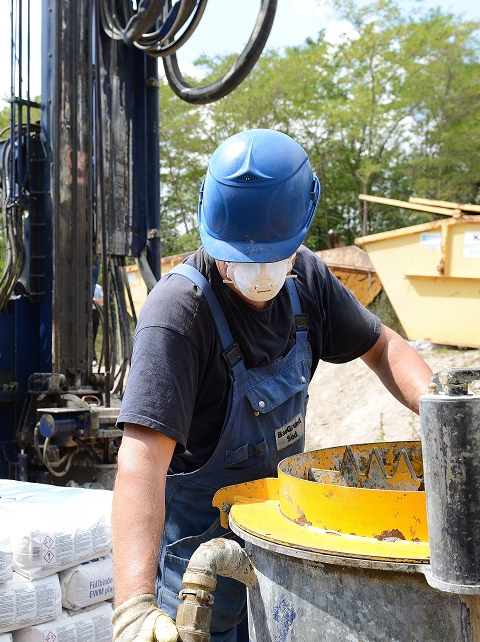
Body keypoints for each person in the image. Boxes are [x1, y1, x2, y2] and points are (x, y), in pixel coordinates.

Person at [110, 130, 434, 642]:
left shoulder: (309, 281)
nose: (260, 276)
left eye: (274, 258)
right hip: (197, 577)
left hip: (280, 560)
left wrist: (440, 413)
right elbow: (141, 459)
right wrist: (132, 605)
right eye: (240, 259)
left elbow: (383, 346)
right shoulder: (177, 316)